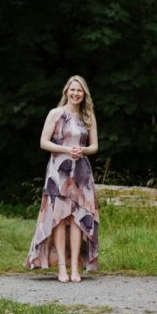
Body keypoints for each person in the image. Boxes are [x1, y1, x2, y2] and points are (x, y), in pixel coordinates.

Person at [25, 75, 100, 283]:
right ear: (66, 91)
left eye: (80, 90)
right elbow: (43, 142)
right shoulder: (56, 113)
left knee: (77, 218)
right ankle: (61, 268)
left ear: (84, 94)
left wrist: (82, 150)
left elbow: (95, 146)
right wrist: (66, 149)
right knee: (59, 219)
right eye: (72, 90)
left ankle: (75, 267)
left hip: (81, 172)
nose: (76, 94)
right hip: (58, 171)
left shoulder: (88, 116)